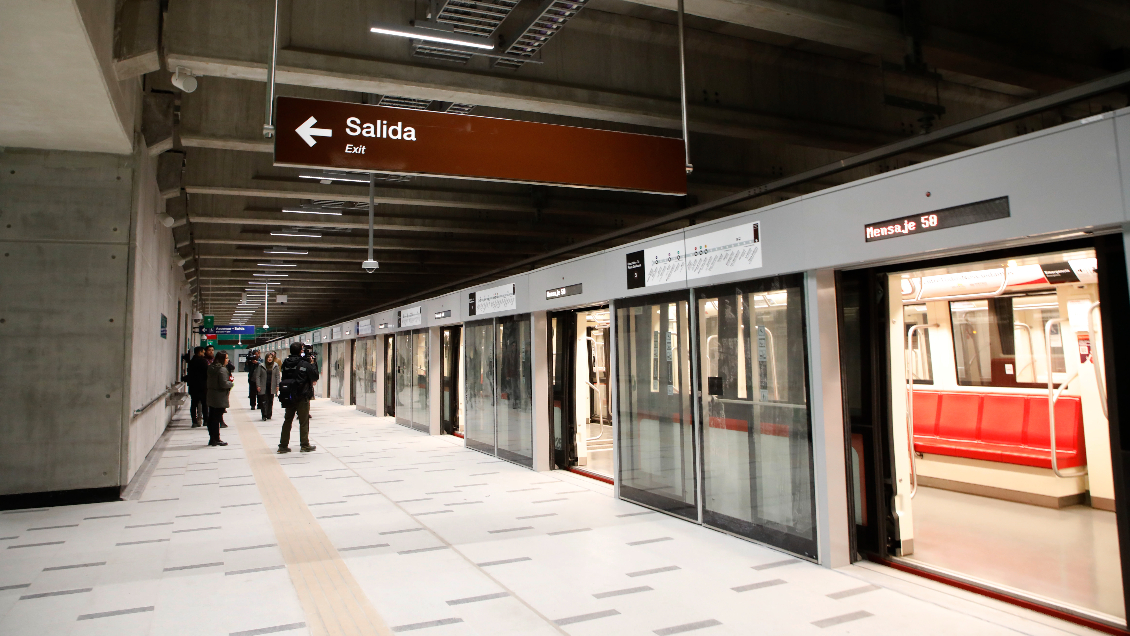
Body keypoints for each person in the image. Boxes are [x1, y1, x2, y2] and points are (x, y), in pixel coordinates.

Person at [279, 342, 319, 454]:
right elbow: (315, 376)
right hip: (302, 395)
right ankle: (305, 444)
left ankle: (283, 445)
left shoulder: (286, 362)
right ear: (300, 351)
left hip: (289, 395)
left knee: (287, 420)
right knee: (303, 421)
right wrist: (312, 363)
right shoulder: (304, 363)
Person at [206, 351, 233, 447]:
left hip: (211, 395)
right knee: (217, 419)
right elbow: (224, 384)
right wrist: (231, 383)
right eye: (226, 358)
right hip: (219, 397)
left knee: (212, 417)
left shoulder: (211, 367)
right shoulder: (222, 369)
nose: (227, 360)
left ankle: (212, 438)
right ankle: (216, 439)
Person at [186, 346, 209, 428]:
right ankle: (206, 420)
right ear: (199, 352)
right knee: (204, 404)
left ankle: (194, 421)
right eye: (203, 352)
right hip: (202, 386)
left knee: (194, 404)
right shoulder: (203, 361)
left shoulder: (191, 362)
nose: (203, 353)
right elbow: (207, 373)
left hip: (193, 386)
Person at [255, 352, 281, 420]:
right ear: (266, 358)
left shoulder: (275, 366)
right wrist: (258, 385)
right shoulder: (261, 366)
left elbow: (277, 376)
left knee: (270, 400)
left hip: (272, 386)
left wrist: (278, 385)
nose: (270, 359)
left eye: (271, 357)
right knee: (264, 401)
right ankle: (264, 414)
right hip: (264, 386)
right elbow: (258, 376)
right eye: (268, 357)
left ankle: (269, 414)